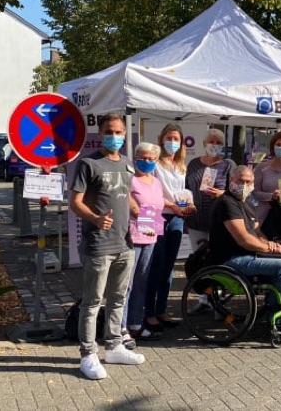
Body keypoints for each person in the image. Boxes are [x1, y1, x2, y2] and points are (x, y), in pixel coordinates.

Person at [70, 113, 144, 380]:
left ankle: (114, 346)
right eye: (110, 132)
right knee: (91, 302)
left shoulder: (127, 164)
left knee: (118, 299)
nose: (116, 136)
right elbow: (75, 202)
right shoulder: (88, 164)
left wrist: (143, 215)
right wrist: (95, 218)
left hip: (125, 244)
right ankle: (87, 354)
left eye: (120, 132)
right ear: (100, 134)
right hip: (98, 246)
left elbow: (127, 199)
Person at [209, 166, 281, 338]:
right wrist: (269, 248)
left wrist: (275, 246)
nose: (244, 185)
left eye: (248, 182)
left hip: (248, 255)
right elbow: (244, 239)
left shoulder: (247, 203)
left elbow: (258, 234)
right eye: (240, 181)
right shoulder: (227, 203)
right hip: (231, 260)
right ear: (231, 180)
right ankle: (278, 322)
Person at [140, 124, 195, 339]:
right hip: (155, 215)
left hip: (177, 219)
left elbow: (181, 192)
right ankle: (149, 312)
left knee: (169, 266)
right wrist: (172, 205)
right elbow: (149, 191)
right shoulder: (155, 164)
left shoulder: (181, 165)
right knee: (155, 264)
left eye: (177, 139)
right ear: (161, 139)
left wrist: (186, 205)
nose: (173, 142)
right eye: (169, 137)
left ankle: (161, 310)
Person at [184, 128, 237, 314]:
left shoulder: (228, 165)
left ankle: (218, 301)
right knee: (200, 262)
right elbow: (186, 188)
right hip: (196, 221)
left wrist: (223, 193)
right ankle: (204, 298)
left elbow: (238, 190)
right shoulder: (193, 164)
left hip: (220, 223)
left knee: (217, 262)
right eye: (211, 142)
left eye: (218, 142)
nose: (214, 145)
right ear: (204, 143)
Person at [121, 142, 165, 343]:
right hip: (132, 234)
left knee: (141, 281)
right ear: (135, 157)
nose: (146, 162)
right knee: (126, 284)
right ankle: (120, 327)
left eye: (151, 159)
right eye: (143, 158)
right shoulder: (129, 179)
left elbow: (158, 206)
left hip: (151, 234)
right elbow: (131, 206)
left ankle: (136, 323)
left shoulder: (155, 181)